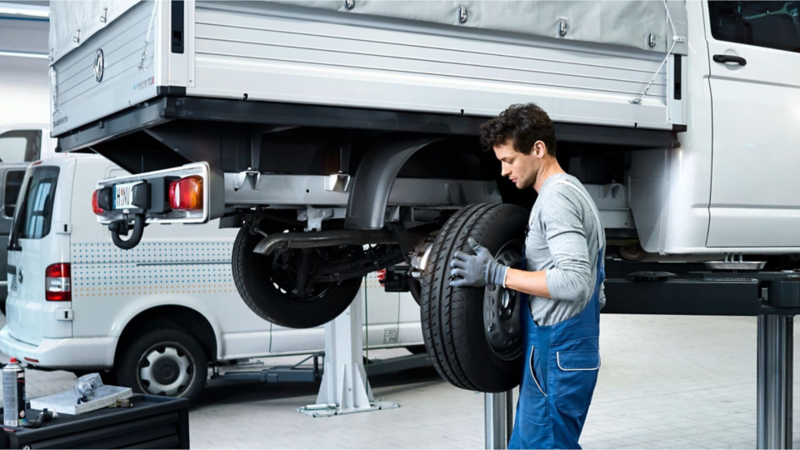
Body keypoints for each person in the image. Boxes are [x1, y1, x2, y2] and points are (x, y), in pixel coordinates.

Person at [449, 103, 605, 449]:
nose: (504, 171)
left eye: (509, 160)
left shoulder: (557, 198)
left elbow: (577, 281)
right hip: (561, 350)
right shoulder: (572, 190)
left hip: (557, 351)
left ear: (538, 149)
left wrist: (497, 273)